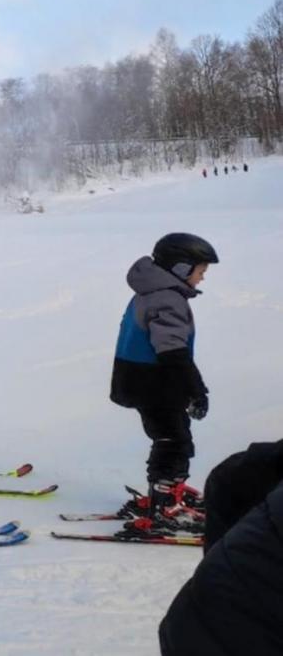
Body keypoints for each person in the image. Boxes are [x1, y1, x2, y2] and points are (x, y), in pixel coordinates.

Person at [110, 233, 218, 535]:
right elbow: (172, 350)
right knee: (175, 441)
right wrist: (196, 389)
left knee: (168, 437)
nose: (202, 278)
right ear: (182, 269)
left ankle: (163, 494)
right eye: (201, 271)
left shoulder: (151, 291)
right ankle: (166, 506)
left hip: (140, 380)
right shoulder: (167, 299)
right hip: (155, 383)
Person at [158, 445, 283, 654]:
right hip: (235, 628)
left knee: (176, 443)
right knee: (174, 442)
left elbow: (227, 477)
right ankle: (161, 505)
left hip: (195, 617)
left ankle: (162, 503)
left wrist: (221, 560)